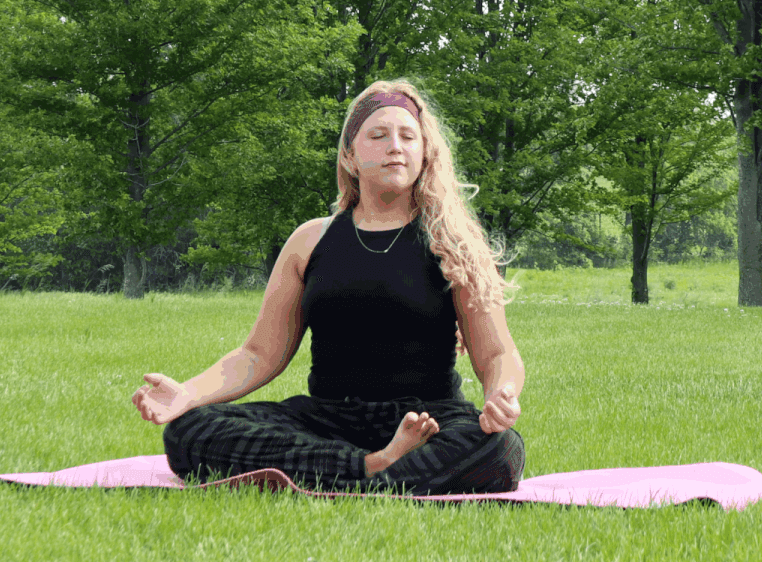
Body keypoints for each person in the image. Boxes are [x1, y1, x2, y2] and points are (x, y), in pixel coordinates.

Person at [131, 80, 527, 494]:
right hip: (328, 419)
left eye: (408, 136)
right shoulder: (309, 241)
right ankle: (374, 467)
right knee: (190, 430)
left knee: (499, 448)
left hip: (428, 420)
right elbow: (259, 354)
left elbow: (497, 352)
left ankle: (336, 473)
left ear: (425, 153)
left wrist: (502, 393)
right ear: (350, 156)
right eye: (378, 135)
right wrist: (188, 393)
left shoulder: (455, 243)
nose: (396, 146)